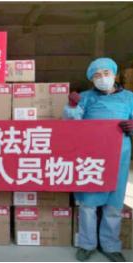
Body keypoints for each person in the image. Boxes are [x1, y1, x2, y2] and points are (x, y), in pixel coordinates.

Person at [67, 57, 131, 262]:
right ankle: (87, 244)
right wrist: (71, 106)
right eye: (96, 75)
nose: (102, 78)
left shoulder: (129, 98)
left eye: (105, 73)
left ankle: (111, 245)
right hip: (91, 157)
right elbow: (70, 123)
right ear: (91, 80)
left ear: (114, 74)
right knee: (88, 204)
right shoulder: (86, 98)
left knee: (114, 203)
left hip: (119, 156)